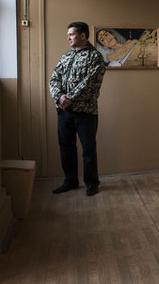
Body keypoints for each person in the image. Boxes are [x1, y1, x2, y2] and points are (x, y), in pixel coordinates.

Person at [49, 22, 106, 196]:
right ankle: (70, 181)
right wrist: (59, 96)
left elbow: (89, 83)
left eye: (72, 34)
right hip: (64, 112)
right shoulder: (65, 56)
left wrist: (70, 98)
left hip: (85, 113)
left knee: (88, 150)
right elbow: (54, 78)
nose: (68, 38)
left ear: (83, 36)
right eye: (68, 34)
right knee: (66, 148)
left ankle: (91, 183)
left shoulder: (95, 57)